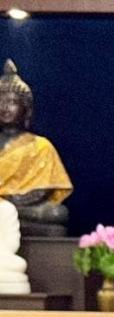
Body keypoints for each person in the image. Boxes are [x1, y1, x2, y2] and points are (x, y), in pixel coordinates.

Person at [0, 60, 73, 232]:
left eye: (12, 102)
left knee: (57, 213)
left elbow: (43, 190)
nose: (5, 108)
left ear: (26, 109)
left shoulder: (40, 146)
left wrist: (10, 203)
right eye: (1, 102)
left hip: (21, 208)